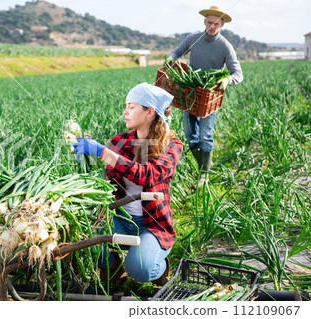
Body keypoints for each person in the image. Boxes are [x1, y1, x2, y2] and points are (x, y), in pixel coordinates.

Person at [73, 83, 183, 284]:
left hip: (153, 225)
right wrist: (82, 166)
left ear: (149, 112)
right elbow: (109, 184)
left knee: (140, 269)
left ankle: (159, 265)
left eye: (131, 107)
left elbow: (147, 175)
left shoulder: (172, 145)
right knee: (84, 233)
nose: (125, 112)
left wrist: (103, 153)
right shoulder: (119, 142)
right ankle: (112, 266)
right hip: (121, 219)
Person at [166, 6, 243, 186]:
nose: (212, 26)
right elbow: (176, 52)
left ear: (222, 24)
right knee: (190, 134)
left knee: (205, 136)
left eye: (216, 23)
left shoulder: (225, 46)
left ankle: (204, 175)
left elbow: (238, 74)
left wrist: (226, 81)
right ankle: (205, 164)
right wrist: (171, 58)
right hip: (191, 93)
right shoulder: (193, 39)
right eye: (209, 22)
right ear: (204, 21)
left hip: (210, 96)